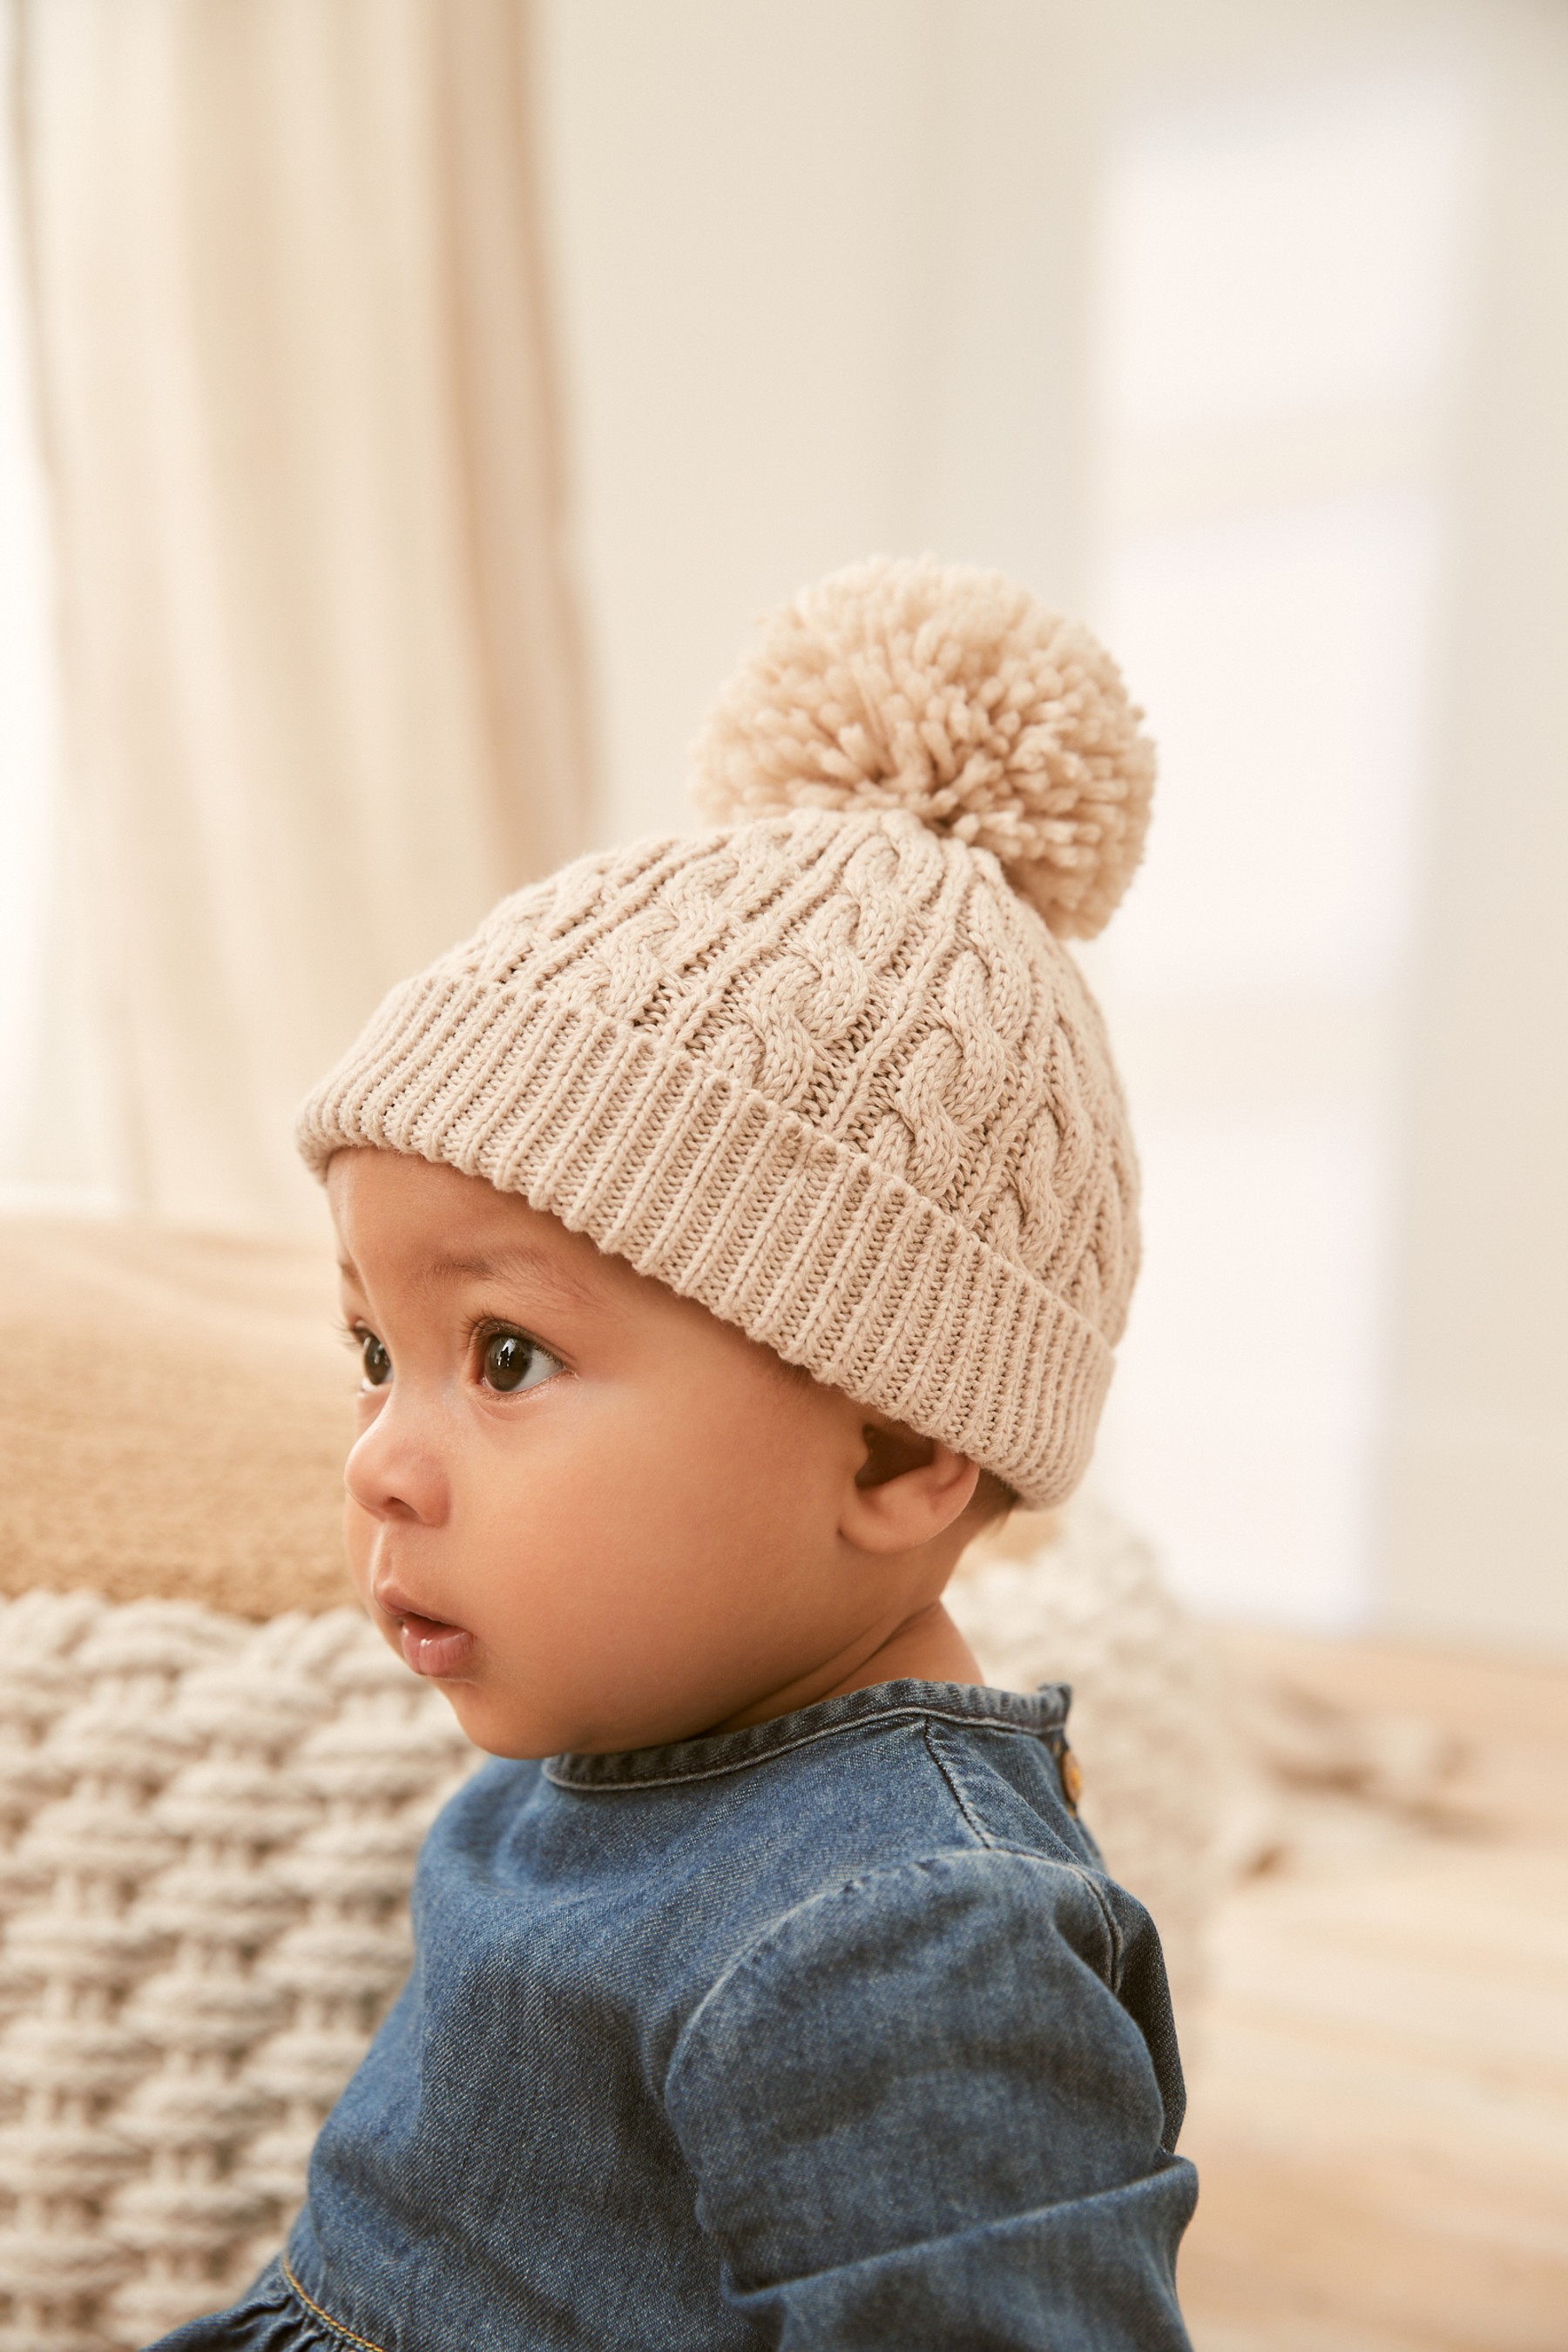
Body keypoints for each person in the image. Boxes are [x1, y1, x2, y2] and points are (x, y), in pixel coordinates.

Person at [152, 557, 1195, 2349]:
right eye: (369, 1355)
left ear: (893, 1443)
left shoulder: (907, 1944)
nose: (381, 1464)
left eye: (504, 1354)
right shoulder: (618, 1736)